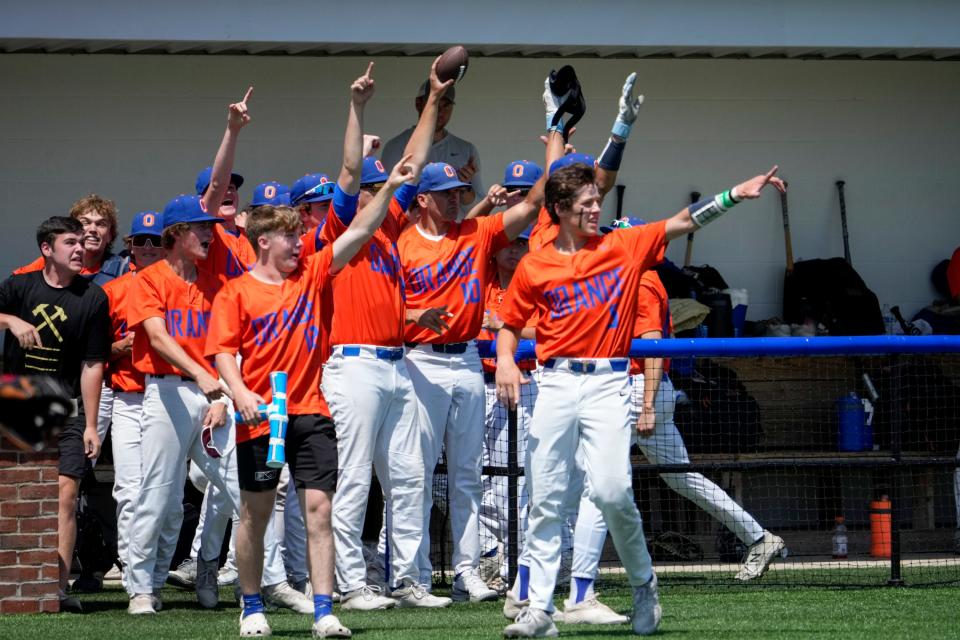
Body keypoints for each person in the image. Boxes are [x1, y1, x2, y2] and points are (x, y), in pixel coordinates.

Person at [495, 120, 785, 634]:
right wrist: (502, 360)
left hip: (610, 382)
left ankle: (644, 584)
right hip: (557, 382)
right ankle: (539, 609)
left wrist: (736, 194)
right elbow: (510, 325)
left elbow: (684, 221)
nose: (594, 206)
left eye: (595, 199)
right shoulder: (535, 263)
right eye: (584, 201)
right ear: (559, 210)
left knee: (610, 492)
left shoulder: (625, 247)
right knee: (545, 496)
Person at [207, 136, 417, 635]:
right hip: (263, 414)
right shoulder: (236, 292)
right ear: (264, 241)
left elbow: (362, 229)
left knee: (319, 509)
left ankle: (325, 611)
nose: (302, 241)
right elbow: (221, 353)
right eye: (291, 236)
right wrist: (239, 394)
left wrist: (388, 186)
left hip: (310, 408)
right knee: (256, 512)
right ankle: (252, 604)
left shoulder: (314, 273)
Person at [561, 234, 785, 626]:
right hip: (645, 391)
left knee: (595, 484)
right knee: (683, 478)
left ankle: (580, 584)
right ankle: (759, 537)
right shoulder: (627, 277)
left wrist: (646, 402)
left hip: (636, 391)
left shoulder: (643, 281)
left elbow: (651, 345)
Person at [398, 103, 546, 600]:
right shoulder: (402, 243)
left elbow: (533, 204)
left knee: (467, 477)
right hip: (418, 361)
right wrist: (414, 318)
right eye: (445, 195)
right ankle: (413, 577)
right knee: (415, 475)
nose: (457, 201)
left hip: (465, 360)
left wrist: (555, 134)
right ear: (422, 201)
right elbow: (381, 311)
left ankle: (466, 572)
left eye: (460, 193)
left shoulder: (476, 232)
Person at [320, 60, 451, 611]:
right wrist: (357, 105)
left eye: (386, 188)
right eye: (380, 188)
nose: (385, 192)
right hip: (351, 366)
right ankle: (351, 585)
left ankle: (408, 579)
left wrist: (433, 102)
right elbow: (350, 170)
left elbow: (414, 164)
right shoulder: (339, 230)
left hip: (397, 364)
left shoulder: (392, 229)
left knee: (409, 477)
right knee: (352, 481)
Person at [124, 87, 254, 615]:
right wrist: (231, 129)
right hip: (167, 393)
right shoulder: (148, 277)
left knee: (233, 488)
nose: (211, 233)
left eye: (212, 226)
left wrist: (219, 387)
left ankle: (205, 569)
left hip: (211, 391)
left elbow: (220, 187)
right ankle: (143, 586)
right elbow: (156, 337)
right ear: (177, 234)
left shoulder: (214, 272)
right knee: (159, 496)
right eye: (201, 227)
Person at [0, 216, 111, 613]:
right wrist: (9, 319)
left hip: (66, 403)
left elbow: (93, 364)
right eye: (71, 242)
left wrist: (93, 425)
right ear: (47, 249)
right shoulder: (18, 286)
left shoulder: (94, 298)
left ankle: (56, 589)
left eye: (82, 242)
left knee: (65, 494)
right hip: (18, 396)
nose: (81, 248)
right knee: (14, 492)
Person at [101, 211, 169, 598]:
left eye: (154, 240)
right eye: (140, 240)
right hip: (127, 394)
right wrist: (122, 347)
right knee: (128, 489)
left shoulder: (176, 285)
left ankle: (158, 570)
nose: (147, 247)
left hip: (168, 394)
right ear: (129, 245)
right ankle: (131, 570)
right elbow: (95, 352)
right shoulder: (112, 290)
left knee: (167, 494)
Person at [382, 81, 481, 209]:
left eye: (446, 105)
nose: (440, 111)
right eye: (435, 104)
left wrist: (463, 188)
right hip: (412, 227)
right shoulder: (396, 146)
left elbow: (479, 207)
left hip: (454, 228)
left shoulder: (466, 150)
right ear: (418, 104)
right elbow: (387, 202)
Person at [13, 194, 129, 283]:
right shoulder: (50, 262)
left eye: (101, 224)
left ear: (110, 235)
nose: (93, 229)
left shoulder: (122, 269)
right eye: (86, 222)